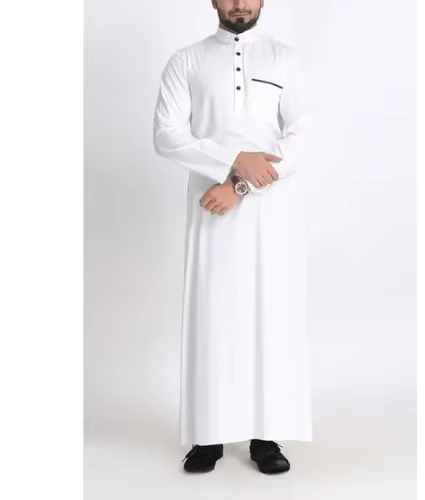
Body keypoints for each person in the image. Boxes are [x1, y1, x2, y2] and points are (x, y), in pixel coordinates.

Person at [153, 0, 313, 474]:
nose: (240, 3)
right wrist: (233, 160)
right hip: (211, 208)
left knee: (270, 315)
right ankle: (208, 435)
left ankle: (266, 436)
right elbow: (167, 135)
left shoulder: (286, 59)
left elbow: (302, 137)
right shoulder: (186, 60)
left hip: (271, 210)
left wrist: (238, 184)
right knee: (212, 316)